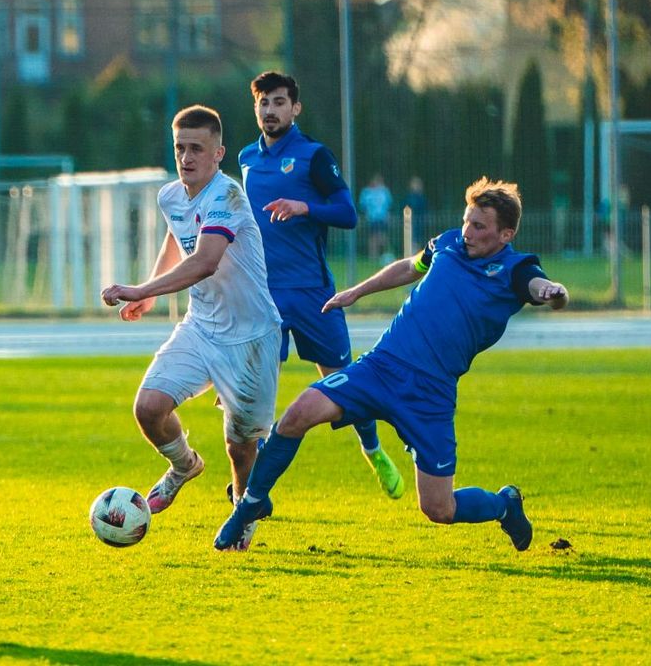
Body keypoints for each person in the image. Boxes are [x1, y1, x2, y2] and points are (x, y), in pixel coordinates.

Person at [215, 176, 570, 552]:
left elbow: (539, 288)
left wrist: (554, 294)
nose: (467, 231)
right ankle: (249, 506)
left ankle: (504, 505)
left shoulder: (516, 270)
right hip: (381, 367)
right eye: (466, 220)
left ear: (505, 235)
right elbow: (409, 267)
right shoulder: (448, 243)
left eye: (479, 226)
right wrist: (357, 292)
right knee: (298, 413)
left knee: (438, 507)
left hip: (429, 394)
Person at [101, 105, 281, 551]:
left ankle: (241, 511)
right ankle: (183, 465)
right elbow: (176, 236)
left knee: (240, 446)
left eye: (197, 149)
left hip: (251, 338)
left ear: (218, 153)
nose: (186, 157)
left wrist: (140, 286)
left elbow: (204, 261)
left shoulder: (228, 197)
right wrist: (151, 295)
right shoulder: (171, 196)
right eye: (180, 147)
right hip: (201, 327)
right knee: (149, 407)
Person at [237, 71, 403, 502]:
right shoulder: (245, 159)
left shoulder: (313, 156)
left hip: (313, 293)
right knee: (256, 392)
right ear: (255, 108)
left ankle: (373, 449)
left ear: (295, 109)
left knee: (343, 383)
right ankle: (249, 486)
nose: (270, 110)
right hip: (263, 296)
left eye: (278, 102)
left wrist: (303, 206)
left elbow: (347, 213)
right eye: (263, 103)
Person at [358, 173, 394, 261]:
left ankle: (385, 254)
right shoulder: (367, 192)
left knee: (382, 236)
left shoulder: (385, 191)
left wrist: (388, 214)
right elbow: (363, 205)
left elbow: (389, 204)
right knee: (373, 237)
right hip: (372, 218)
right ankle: (373, 256)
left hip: (382, 218)